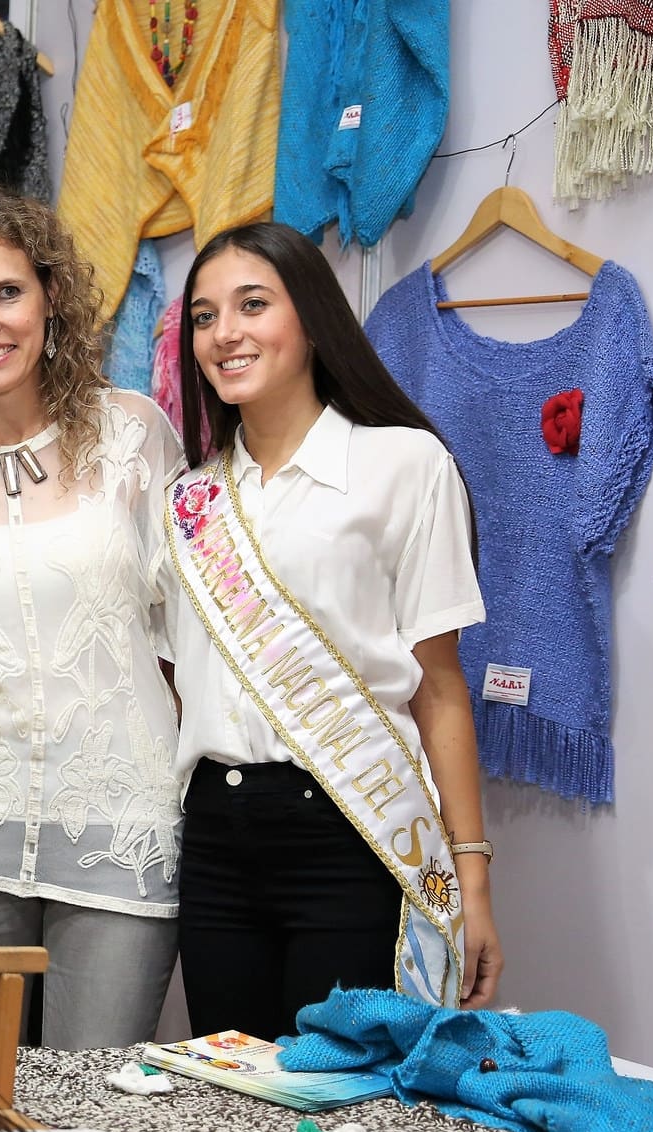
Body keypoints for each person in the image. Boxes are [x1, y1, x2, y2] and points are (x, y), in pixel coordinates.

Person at [164, 221, 502, 1041]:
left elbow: (442, 688)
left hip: (351, 832)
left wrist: (471, 877)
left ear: (313, 318)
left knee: (346, 1098)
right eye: (204, 316)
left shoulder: (405, 465)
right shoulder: (185, 502)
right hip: (214, 837)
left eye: (252, 304)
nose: (225, 334)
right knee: (234, 1097)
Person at [0, 184, 183, 1048]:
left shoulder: (134, 436)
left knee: (100, 1116)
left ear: (51, 294)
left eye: (7, 292)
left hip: (124, 824)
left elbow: (189, 642)